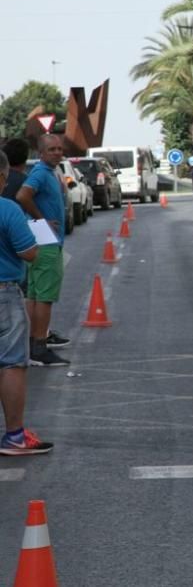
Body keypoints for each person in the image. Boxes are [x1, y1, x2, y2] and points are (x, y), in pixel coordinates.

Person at [0, 150, 50, 456]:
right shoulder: (7, 209)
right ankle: (15, 436)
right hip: (4, 293)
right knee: (11, 364)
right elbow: (29, 252)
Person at [15, 135, 69, 367]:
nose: (57, 152)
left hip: (40, 241)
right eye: (52, 149)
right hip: (46, 242)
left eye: (59, 148)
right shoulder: (40, 173)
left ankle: (32, 344)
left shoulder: (48, 172)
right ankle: (39, 346)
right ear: (41, 152)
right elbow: (22, 195)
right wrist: (43, 219)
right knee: (44, 297)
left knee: (34, 295)